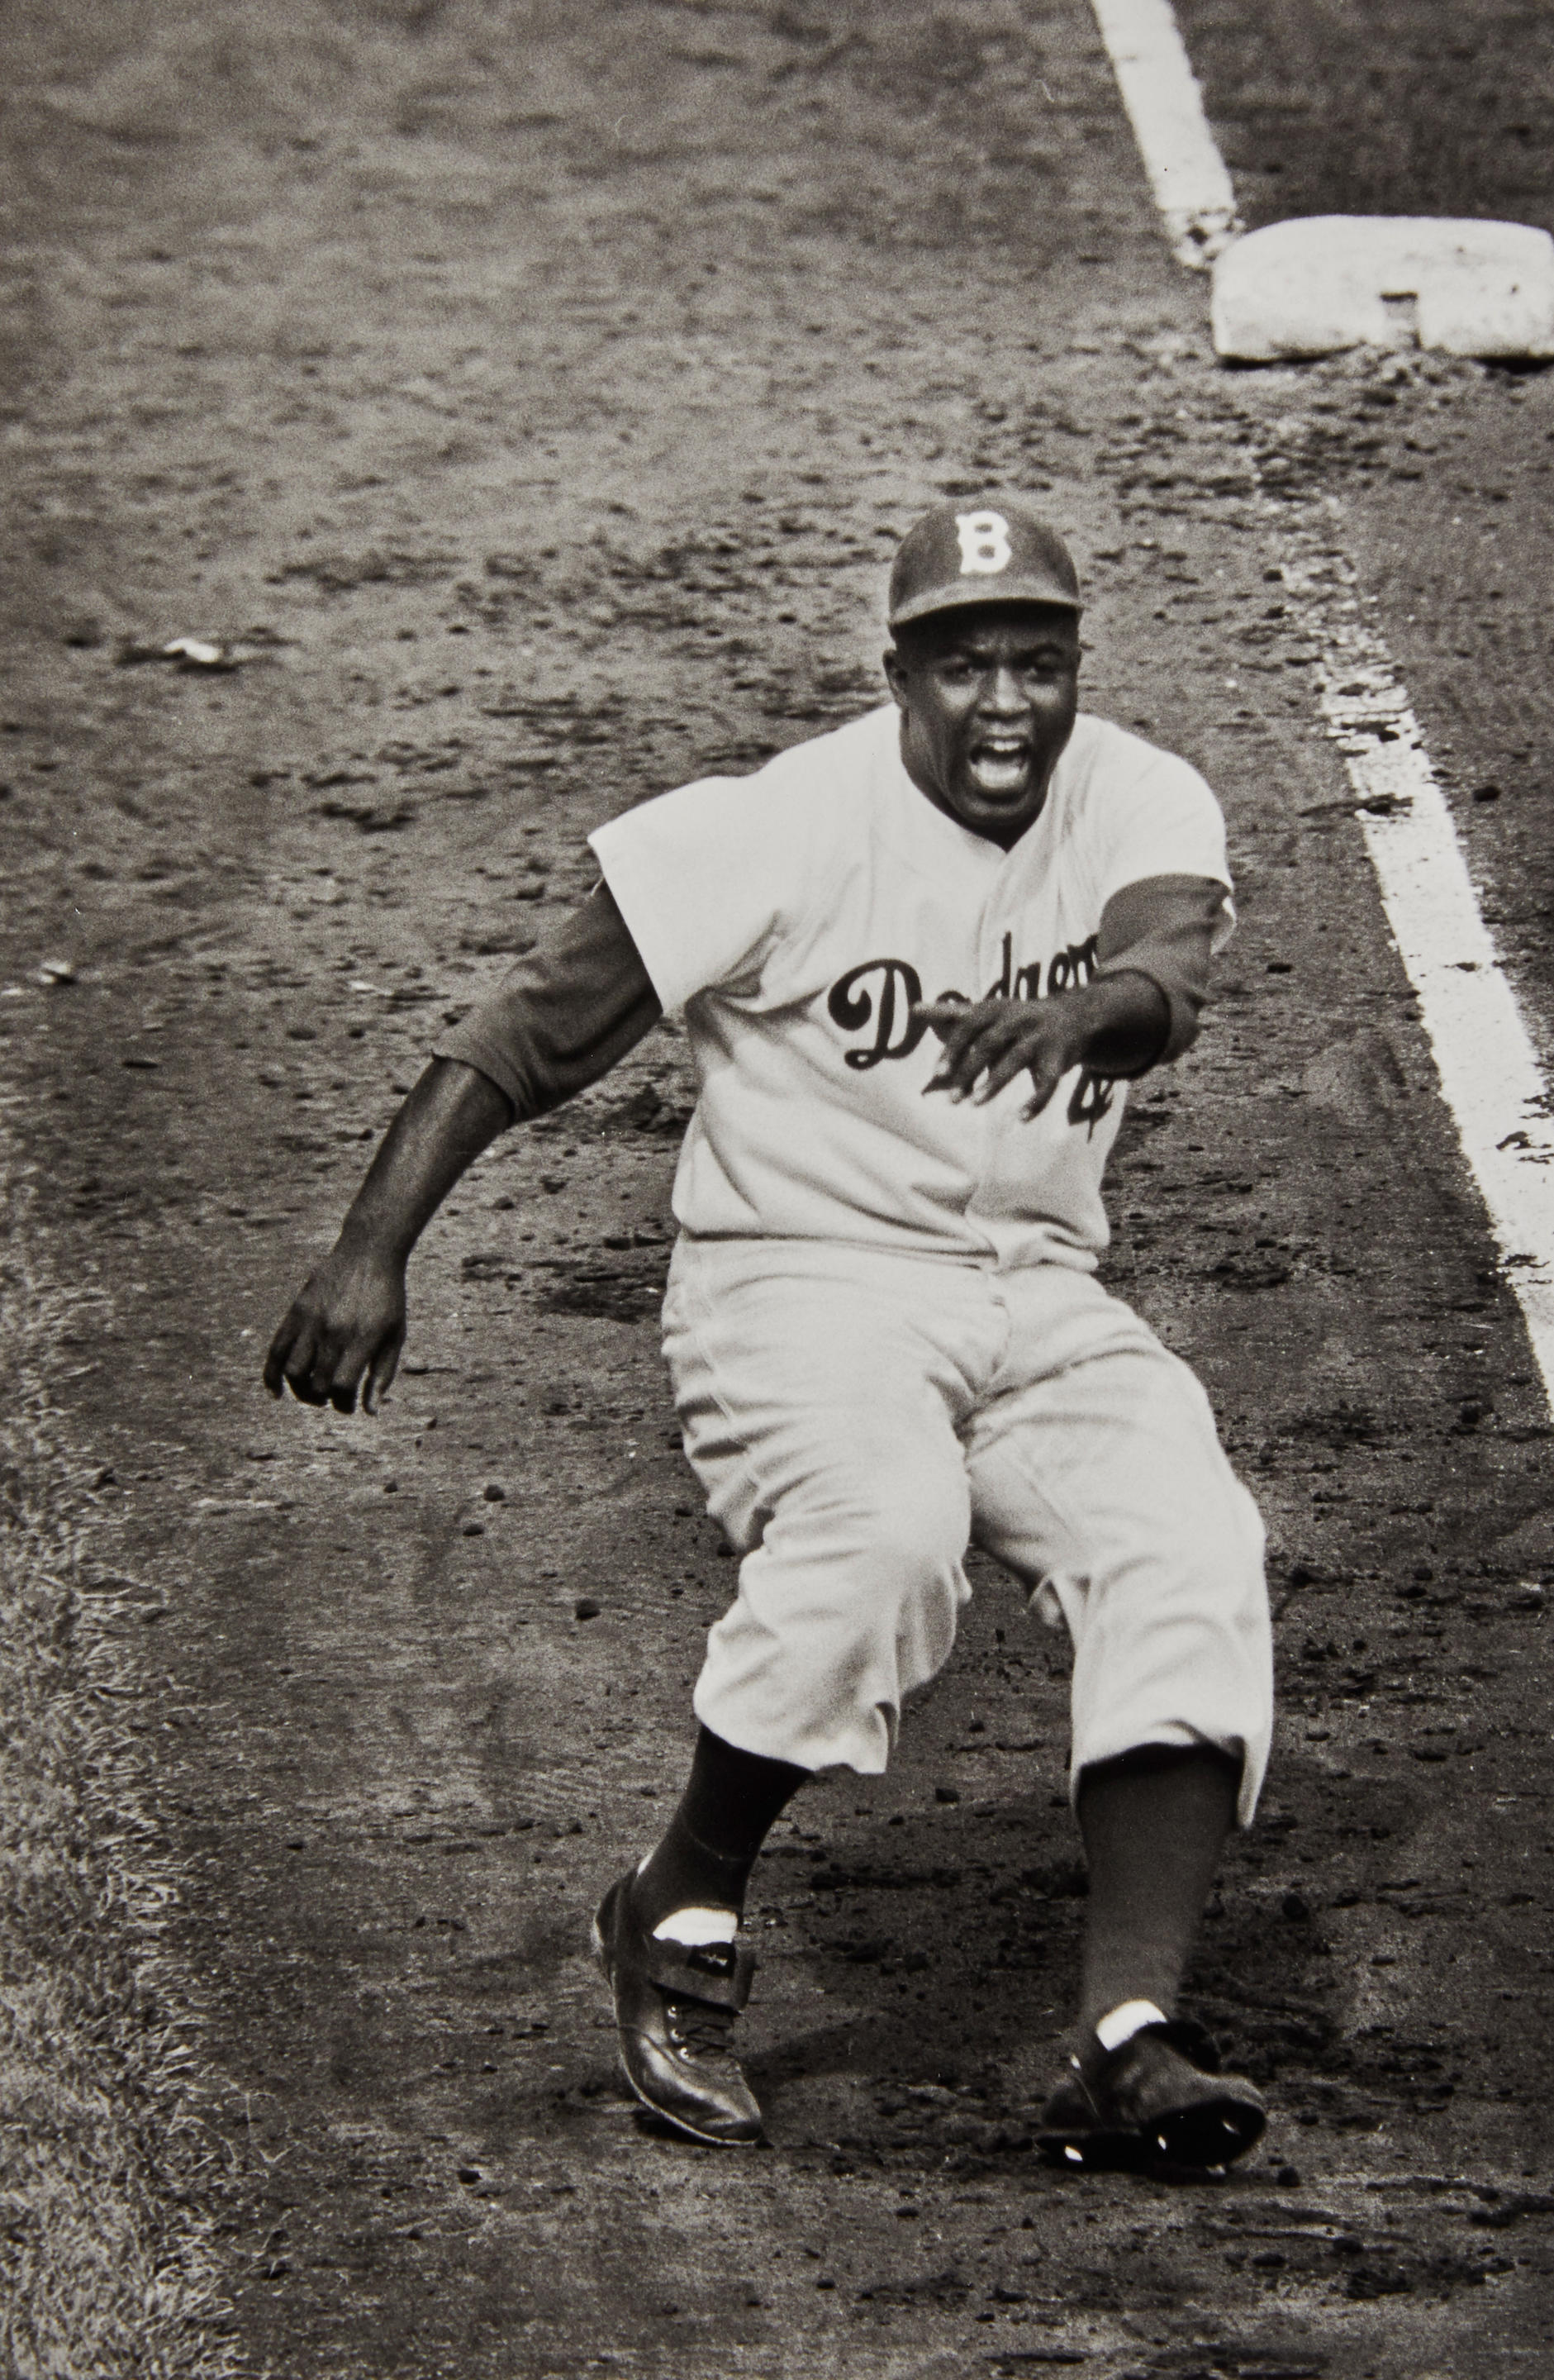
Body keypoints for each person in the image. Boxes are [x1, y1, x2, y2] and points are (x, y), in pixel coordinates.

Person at [264, 500, 1274, 2174]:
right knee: (885, 1534)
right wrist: (371, 1250)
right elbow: (523, 1037)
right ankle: (678, 1908)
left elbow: (1166, 971)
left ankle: (1128, 2032)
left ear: (1077, 666)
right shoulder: (782, 826)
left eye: (1038, 663)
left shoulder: (1141, 793)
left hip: (1039, 1287)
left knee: (1188, 1541)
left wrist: (1094, 1009)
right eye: (965, 665)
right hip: (799, 1282)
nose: (1006, 702)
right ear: (899, 676)